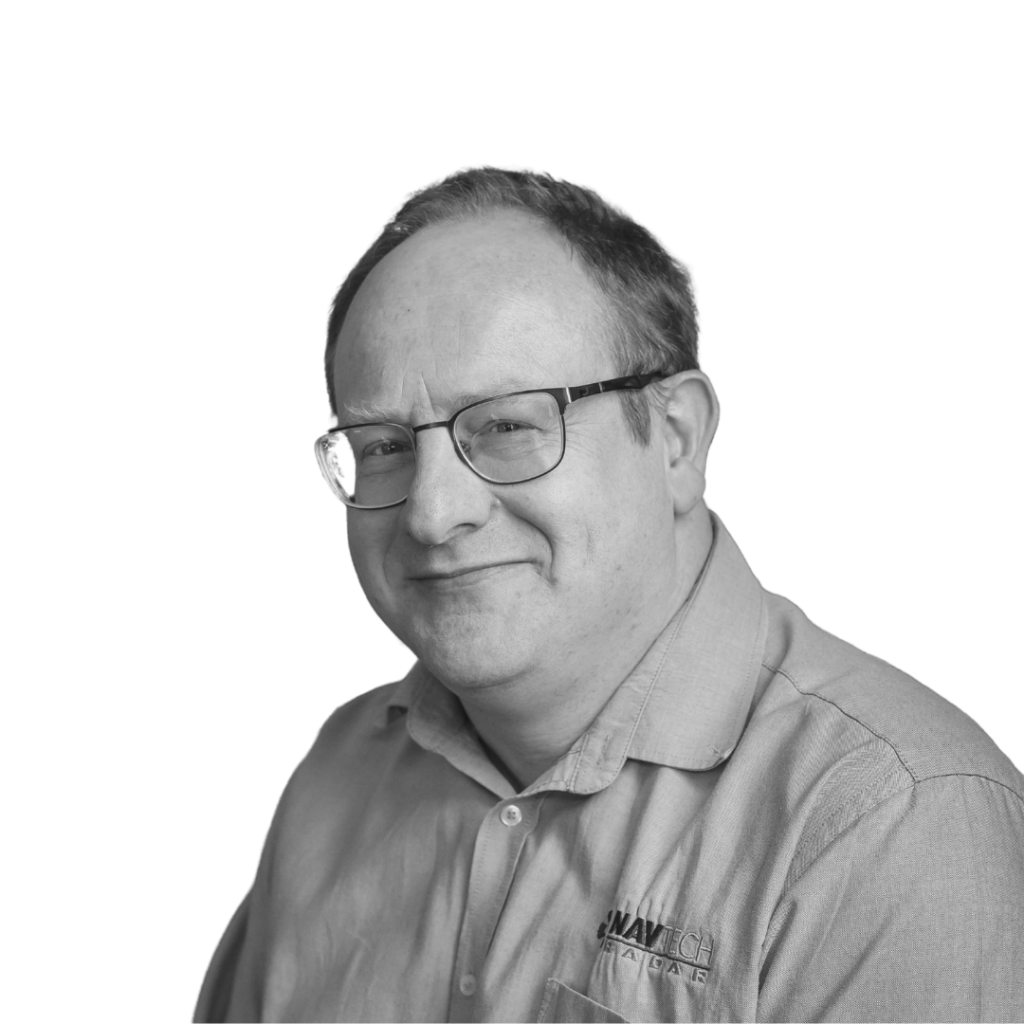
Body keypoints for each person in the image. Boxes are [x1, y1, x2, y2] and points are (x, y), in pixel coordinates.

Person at [191, 164, 1024, 1023]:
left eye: (509, 426)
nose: (434, 515)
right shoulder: (336, 772)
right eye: (379, 445)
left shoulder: (888, 823)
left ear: (674, 441)